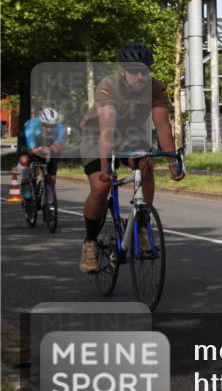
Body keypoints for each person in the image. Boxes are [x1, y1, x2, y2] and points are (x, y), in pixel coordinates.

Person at [78, 43, 184, 273]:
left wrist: (173, 162)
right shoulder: (108, 86)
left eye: (144, 71)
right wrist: (106, 167)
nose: (139, 76)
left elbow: (163, 126)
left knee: (146, 163)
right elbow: (106, 129)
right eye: (133, 71)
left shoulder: (156, 88)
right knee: (100, 186)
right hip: (97, 135)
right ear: (122, 71)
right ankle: (90, 241)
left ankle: (143, 222)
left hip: (129, 135)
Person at [18, 107, 66, 201]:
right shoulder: (31, 127)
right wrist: (39, 150)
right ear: (41, 122)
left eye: (53, 126)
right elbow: (30, 150)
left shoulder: (60, 128)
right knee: (24, 159)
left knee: (52, 175)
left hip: (47, 142)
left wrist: (54, 148)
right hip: (30, 141)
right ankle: (25, 181)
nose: (49, 129)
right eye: (47, 125)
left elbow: (59, 145)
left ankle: (49, 203)